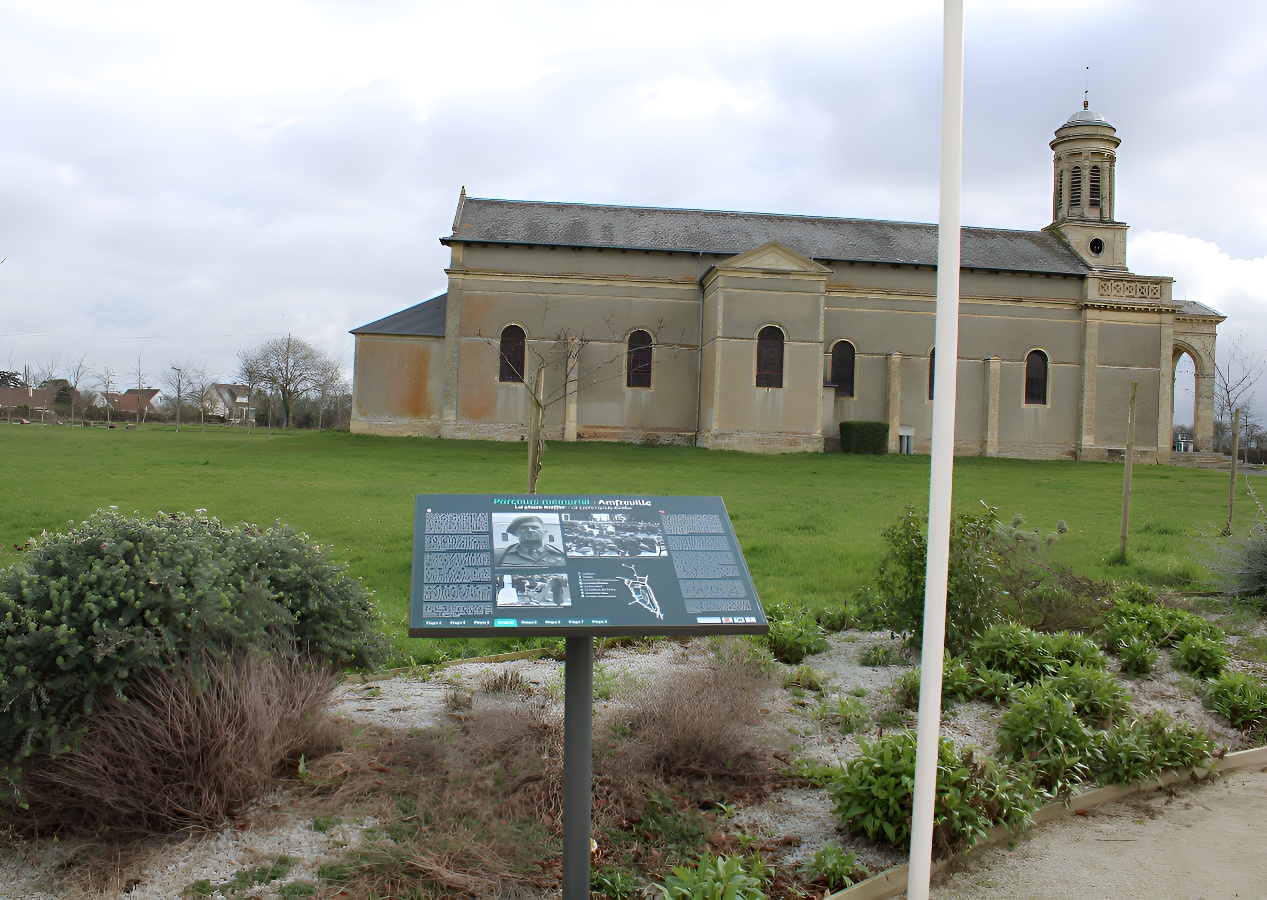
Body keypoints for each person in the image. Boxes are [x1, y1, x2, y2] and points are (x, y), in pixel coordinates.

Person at [494, 515, 567, 566]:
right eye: (524, 528)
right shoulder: (498, 556)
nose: (530, 530)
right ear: (516, 533)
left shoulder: (561, 557)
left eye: (535, 527)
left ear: (544, 532)